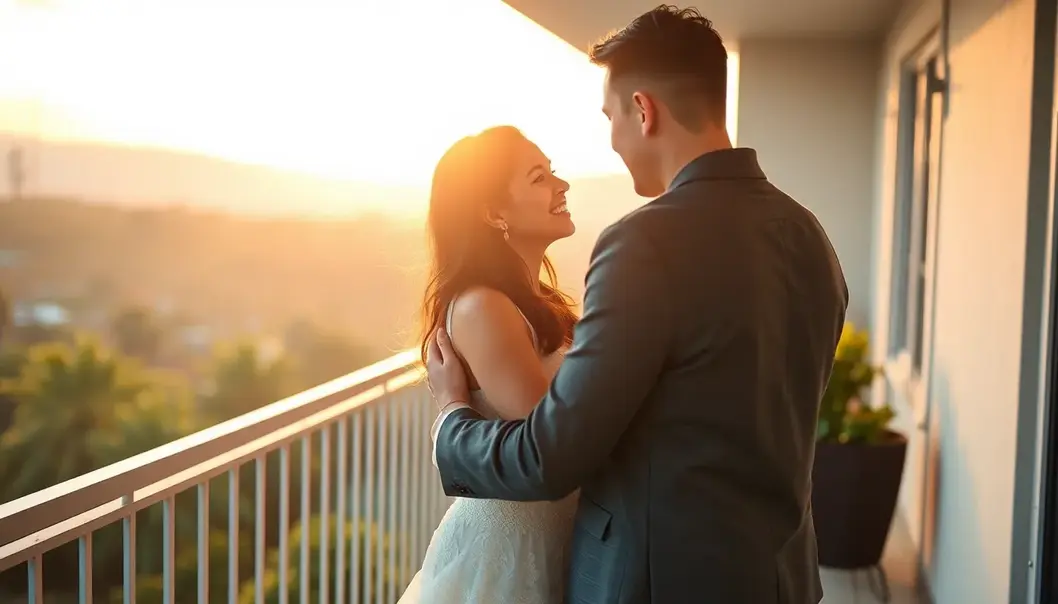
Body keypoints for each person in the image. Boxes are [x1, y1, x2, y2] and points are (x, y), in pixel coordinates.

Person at [424, 5, 849, 604]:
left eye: (611, 117)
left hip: (657, 582)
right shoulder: (809, 236)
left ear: (643, 110)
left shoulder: (642, 243)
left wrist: (450, 420)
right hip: (783, 577)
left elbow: (548, 457)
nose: (613, 140)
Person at [398, 125, 582, 604]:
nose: (562, 186)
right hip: (510, 557)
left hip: (555, 540)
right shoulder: (483, 306)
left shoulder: (541, 304)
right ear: (493, 212)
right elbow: (547, 440)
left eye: (554, 173)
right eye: (539, 178)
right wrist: (453, 407)